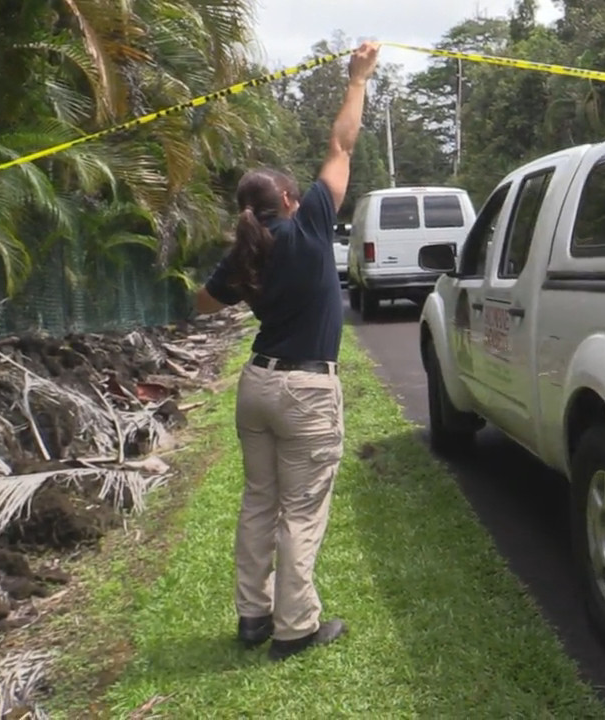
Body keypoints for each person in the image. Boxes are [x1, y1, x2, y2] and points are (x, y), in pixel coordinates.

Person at [193, 41, 382, 661]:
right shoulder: (308, 228)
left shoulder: (245, 255)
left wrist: (238, 283)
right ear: (290, 201)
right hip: (304, 391)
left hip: (257, 387)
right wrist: (357, 78)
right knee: (300, 512)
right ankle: (294, 626)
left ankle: (253, 616)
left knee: (259, 502)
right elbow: (342, 145)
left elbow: (203, 304)